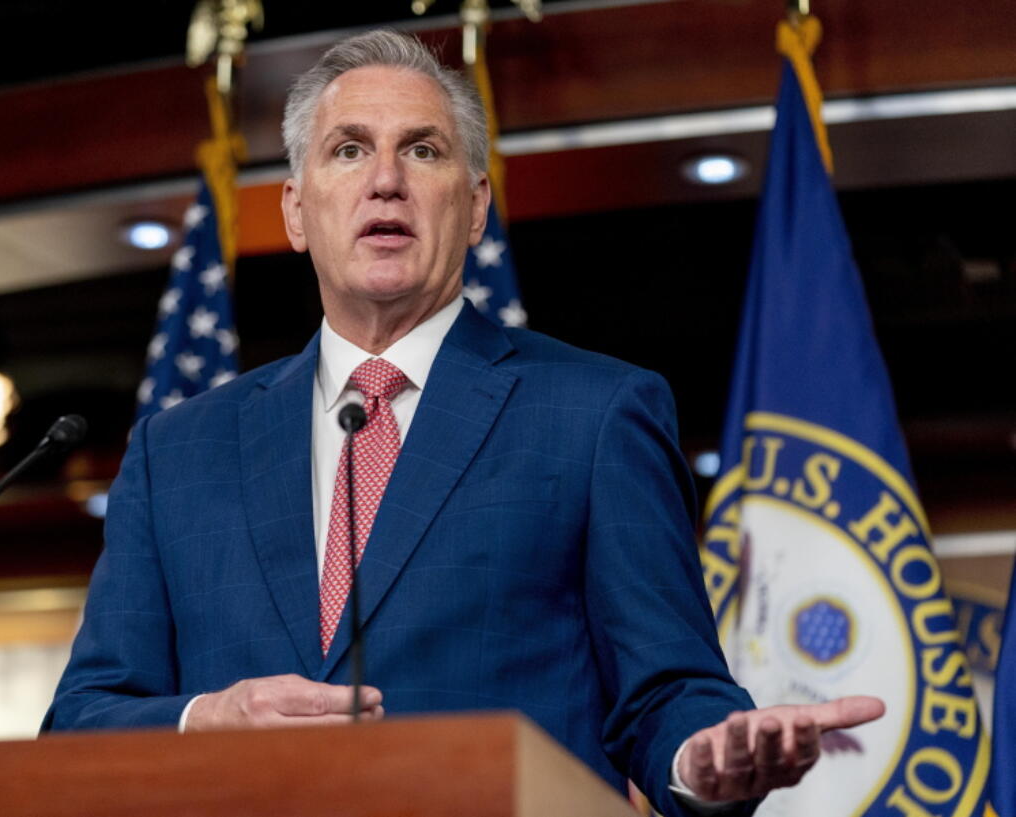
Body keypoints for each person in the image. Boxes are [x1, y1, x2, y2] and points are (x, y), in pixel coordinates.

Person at [43, 30, 882, 815]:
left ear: (475, 206)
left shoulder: (595, 414)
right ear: (296, 212)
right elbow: (80, 722)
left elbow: (669, 691)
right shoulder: (177, 449)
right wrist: (206, 720)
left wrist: (702, 761)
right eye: (348, 150)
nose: (385, 180)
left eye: (423, 149)